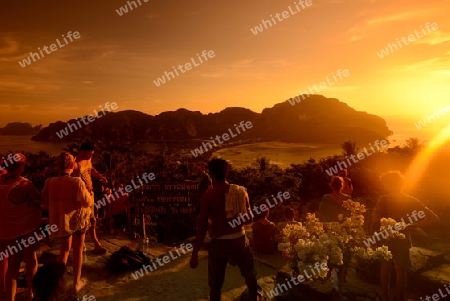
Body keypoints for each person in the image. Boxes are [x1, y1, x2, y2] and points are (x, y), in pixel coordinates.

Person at [190, 158, 259, 301]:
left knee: (215, 286)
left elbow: (202, 227)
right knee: (250, 275)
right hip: (239, 242)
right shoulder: (241, 191)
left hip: (218, 244)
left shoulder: (208, 197)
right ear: (227, 172)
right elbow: (249, 219)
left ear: (212, 175)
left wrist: (195, 253)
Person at [373, 171, 439, 301]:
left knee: (385, 268)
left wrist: (376, 228)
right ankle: (401, 298)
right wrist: (413, 225)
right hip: (403, 239)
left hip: (386, 238)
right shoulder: (410, 200)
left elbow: (375, 219)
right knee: (401, 270)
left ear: (388, 183)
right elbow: (434, 218)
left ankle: (385, 296)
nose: (384, 185)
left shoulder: (383, 199)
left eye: (384, 183)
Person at [42, 152, 93, 294]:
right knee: (78, 250)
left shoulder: (49, 181)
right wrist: (89, 192)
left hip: (61, 222)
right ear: (72, 165)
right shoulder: (76, 182)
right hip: (77, 221)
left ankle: (58, 283)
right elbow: (87, 202)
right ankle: (76, 284)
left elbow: (44, 204)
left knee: (64, 250)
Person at [0, 153, 41, 301]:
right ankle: (31, 293)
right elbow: (40, 201)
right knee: (30, 259)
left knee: (12, 268)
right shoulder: (25, 185)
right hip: (27, 227)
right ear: (21, 167)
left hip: (7, 230)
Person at [72, 142, 108, 255]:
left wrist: (100, 176)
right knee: (79, 222)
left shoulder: (88, 160)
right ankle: (79, 246)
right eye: (88, 154)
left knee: (92, 219)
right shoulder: (74, 163)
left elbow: (91, 170)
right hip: (79, 197)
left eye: (91, 154)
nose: (90, 156)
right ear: (82, 151)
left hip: (89, 195)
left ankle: (96, 244)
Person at [319, 176, 352, 292]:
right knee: (341, 252)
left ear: (331, 185)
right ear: (342, 186)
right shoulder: (347, 198)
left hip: (329, 228)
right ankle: (339, 278)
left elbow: (322, 213)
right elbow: (349, 214)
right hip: (342, 229)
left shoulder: (326, 198)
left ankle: (327, 274)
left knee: (328, 251)